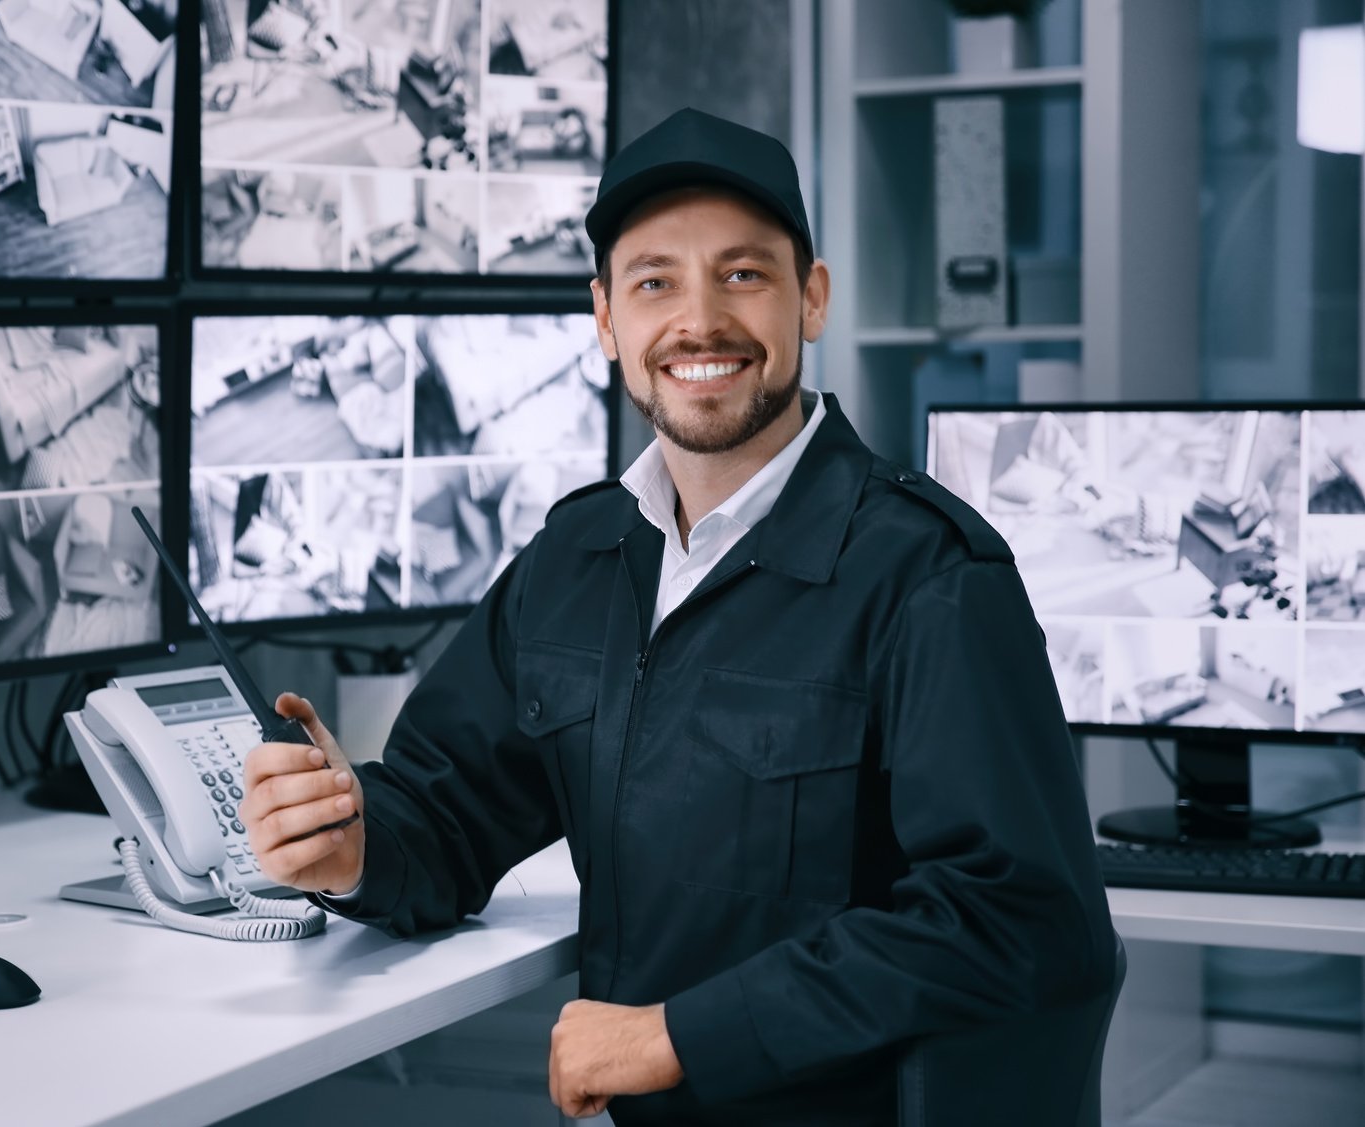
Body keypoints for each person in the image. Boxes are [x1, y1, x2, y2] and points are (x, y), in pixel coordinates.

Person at [239, 107, 1115, 1125]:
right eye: (655, 281)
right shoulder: (577, 555)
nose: (699, 321)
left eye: (743, 273)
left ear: (811, 300)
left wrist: (678, 1033)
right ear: (606, 319)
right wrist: (345, 845)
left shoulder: (929, 574)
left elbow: (1014, 916)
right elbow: (449, 805)